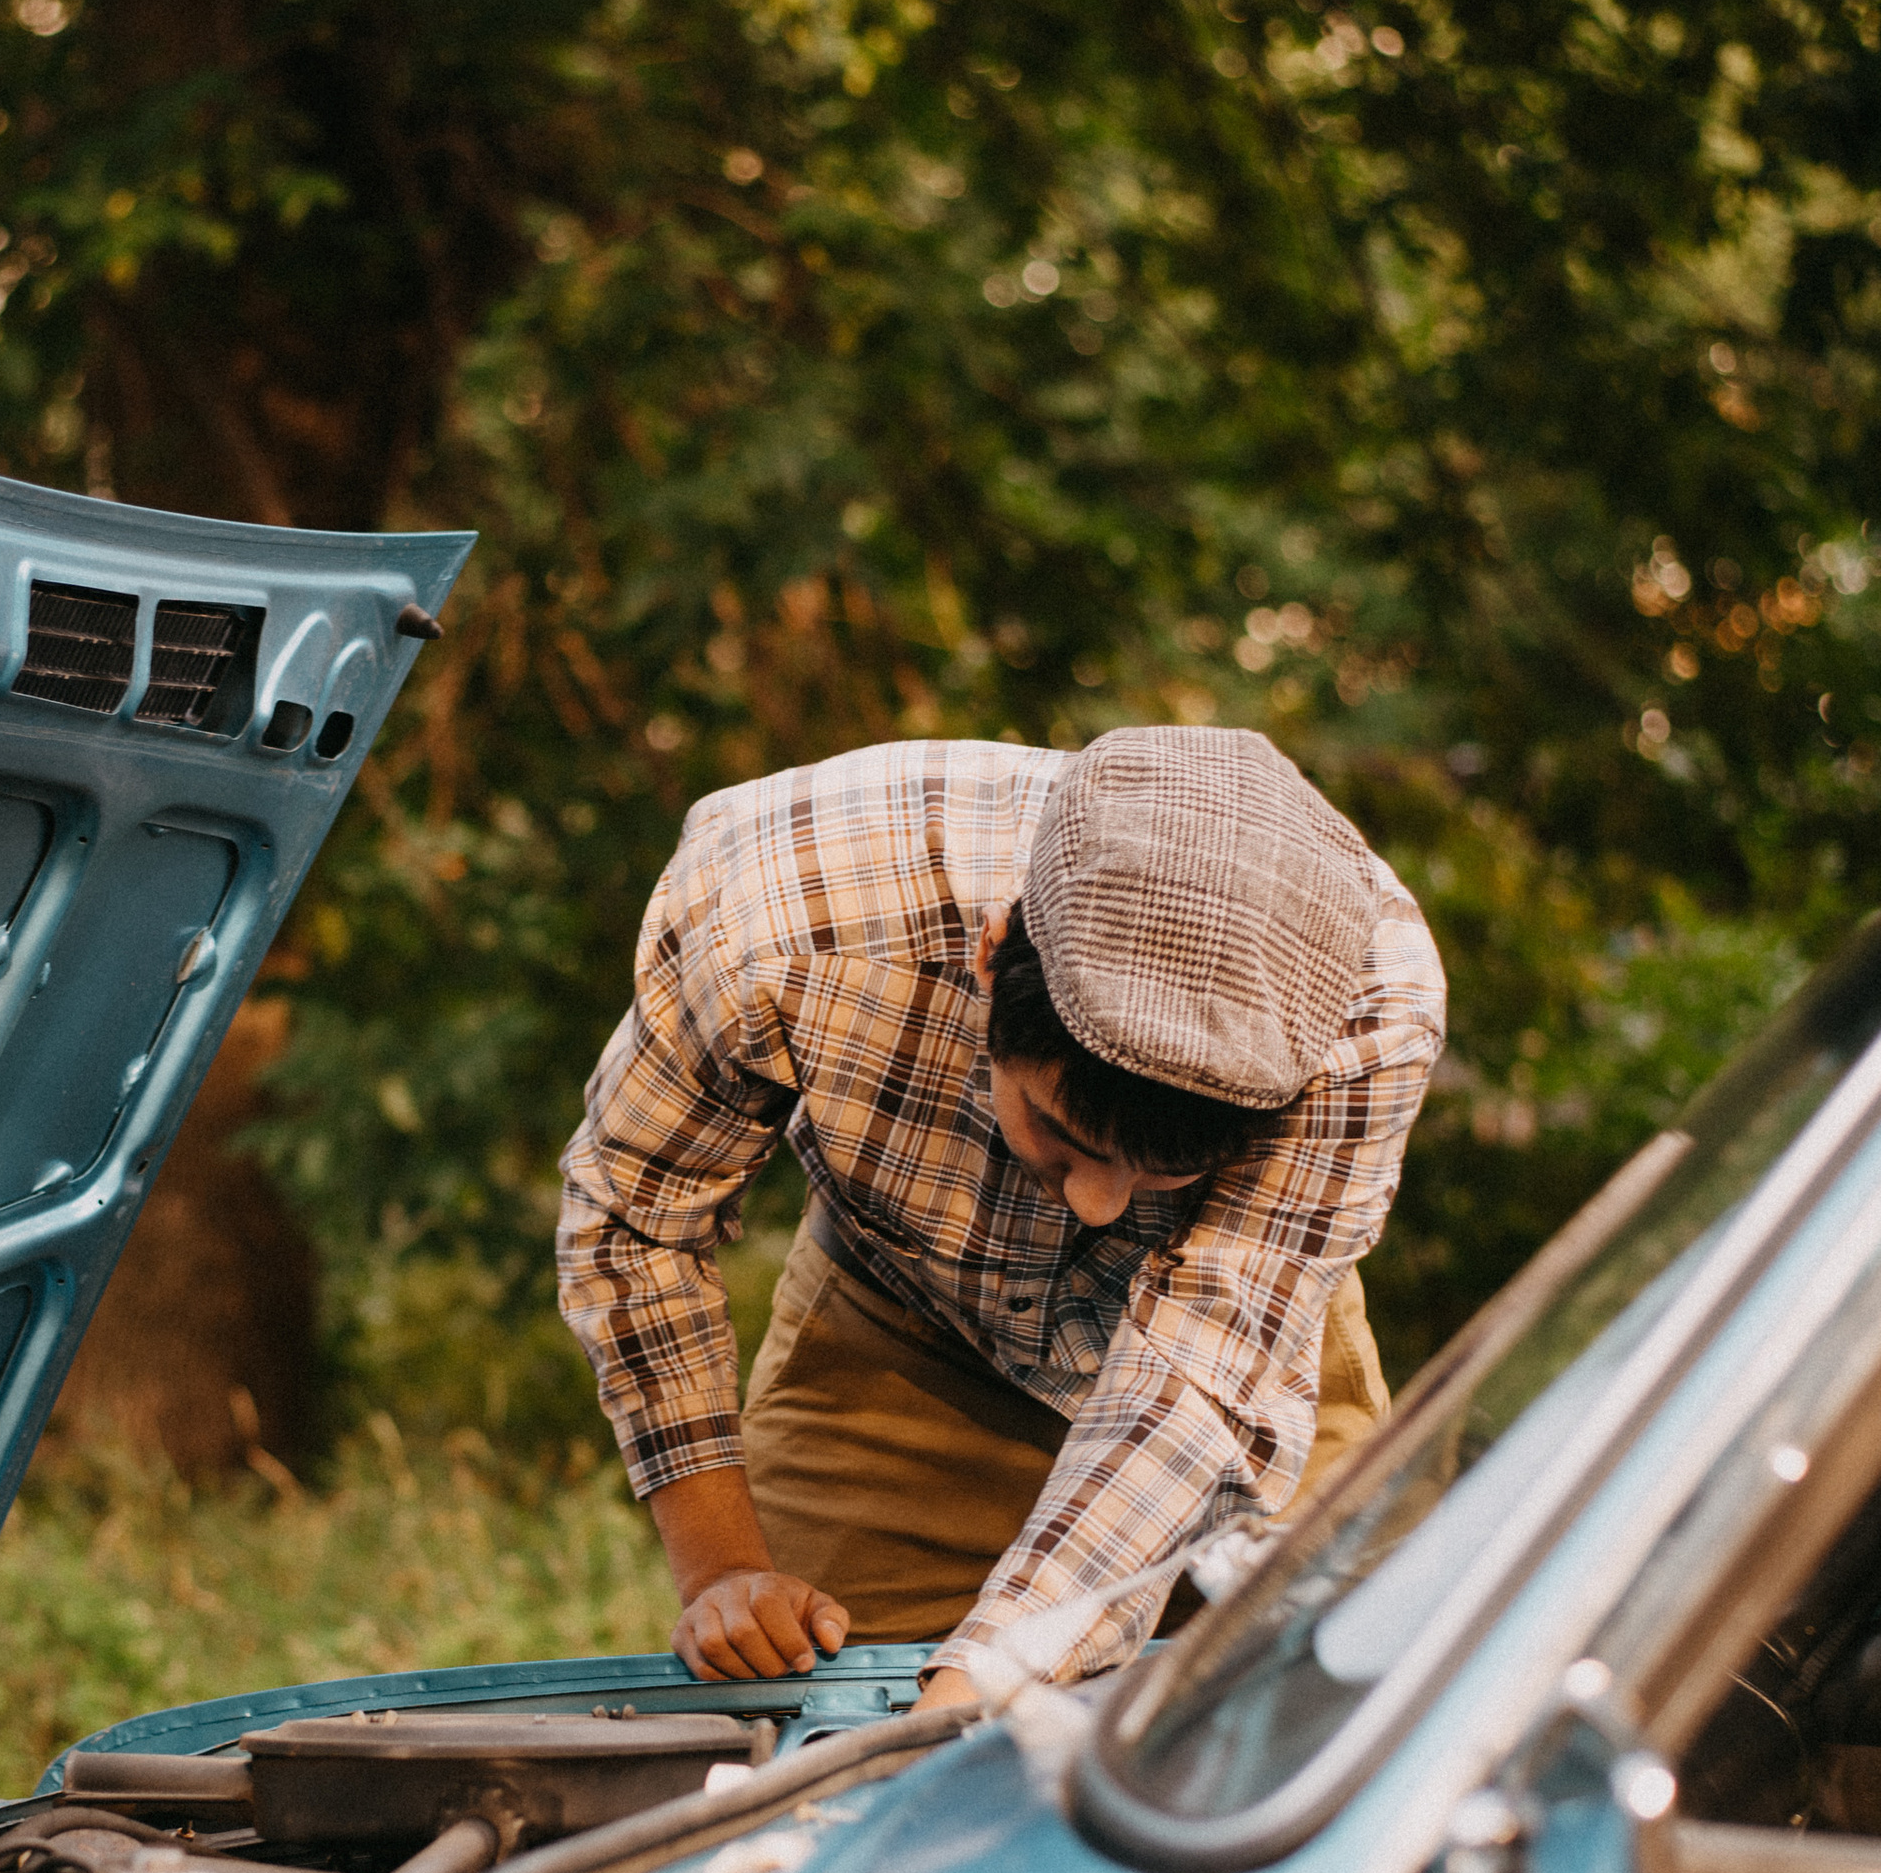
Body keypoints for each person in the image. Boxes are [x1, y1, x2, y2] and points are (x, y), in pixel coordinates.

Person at [557, 727, 1446, 1706]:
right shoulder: (776, 908)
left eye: (1163, 1172)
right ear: (991, 955)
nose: (1098, 1204)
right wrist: (721, 1569)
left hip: (1239, 1351)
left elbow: (1199, 1378)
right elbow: (636, 1217)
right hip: (899, 1335)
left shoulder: (1368, 1014)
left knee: (1334, 1715)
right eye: (1063, 1138)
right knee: (814, 1717)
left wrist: (966, 1698)